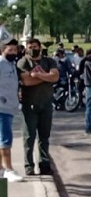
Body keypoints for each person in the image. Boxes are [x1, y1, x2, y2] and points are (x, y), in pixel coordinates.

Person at [17, 38, 60, 176]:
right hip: (30, 105)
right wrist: (46, 76)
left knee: (44, 137)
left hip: (46, 104)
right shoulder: (23, 62)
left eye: (34, 46)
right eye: (29, 47)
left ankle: (45, 165)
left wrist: (37, 74)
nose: (32, 49)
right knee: (29, 137)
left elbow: (55, 77)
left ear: (40, 47)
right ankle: (29, 166)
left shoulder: (49, 61)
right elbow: (27, 81)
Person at [0, 40, 23, 182]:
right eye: (10, 50)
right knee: (5, 139)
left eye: (15, 50)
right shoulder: (1, 64)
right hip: (2, 107)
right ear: (3, 50)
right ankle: (8, 169)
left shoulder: (12, 65)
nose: (13, 53)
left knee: (2, 140)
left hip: (9, 107)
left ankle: (1, 170)